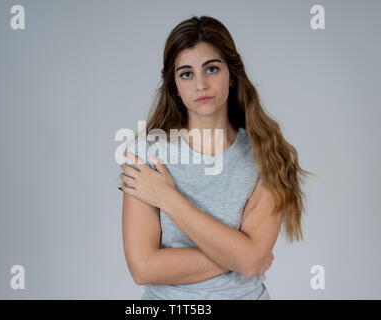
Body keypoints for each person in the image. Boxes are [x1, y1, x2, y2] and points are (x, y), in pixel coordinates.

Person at [117, 15, 313, 300]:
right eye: (186, 73)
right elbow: (143, 268)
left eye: (211, 69)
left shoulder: (268, 156)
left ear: (232, 76)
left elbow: (250, 261)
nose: (200, 84)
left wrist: (167, 198)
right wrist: (242, 256)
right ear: (175, 86)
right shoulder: (147, 156)